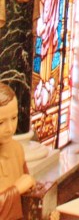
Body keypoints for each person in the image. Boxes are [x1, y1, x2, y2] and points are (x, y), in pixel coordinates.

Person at [0, 83, 35, 220]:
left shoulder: (17, 149)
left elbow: (27, 184)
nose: (10, 128)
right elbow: (20, 186)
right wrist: (16, 190)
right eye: (1, 122)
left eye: (14, 118)